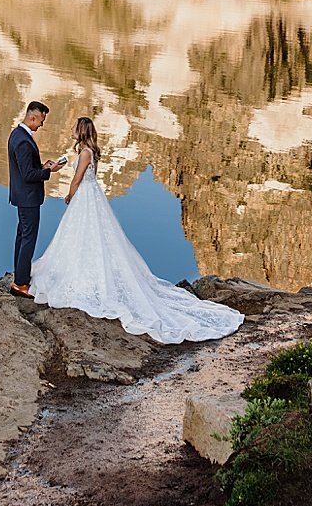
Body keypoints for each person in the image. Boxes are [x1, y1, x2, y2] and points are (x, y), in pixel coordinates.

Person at [30, 116, 242, 343]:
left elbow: (78, 179)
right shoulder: (90, 151)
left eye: (74, 128)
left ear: (81, 131)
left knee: (82, 235)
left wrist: (70, 196)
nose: (71, 130)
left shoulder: (84, 153)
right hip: (92, 197)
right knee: (94, 237)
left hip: (84, 197)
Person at [7, 100, 63, 298]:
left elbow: (27, 168)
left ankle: (19, 277)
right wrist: (48, 171)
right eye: (41, 120)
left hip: (23, 196)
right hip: (28, 198)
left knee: (22, 236)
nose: (42, 124)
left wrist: (41, 165)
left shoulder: (17, 134)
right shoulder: (22, 140)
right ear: (32, 117)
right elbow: (27, 175)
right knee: (28, 238)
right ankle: (21, 284)